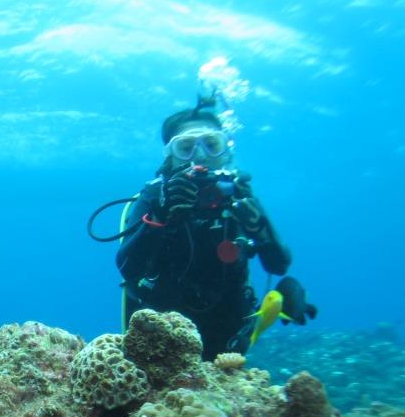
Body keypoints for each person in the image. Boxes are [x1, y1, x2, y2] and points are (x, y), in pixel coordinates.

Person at [115, 103, 313, 359]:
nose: (200, 156)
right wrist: (161, 215)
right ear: (170, 155)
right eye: (186, 148)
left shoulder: (239, 194)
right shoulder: (154, 197)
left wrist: (259, 229)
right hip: (160, 333)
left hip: (229, 331)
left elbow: (278, 265)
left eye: (212, 144)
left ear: (226, 150)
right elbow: (128, 268)